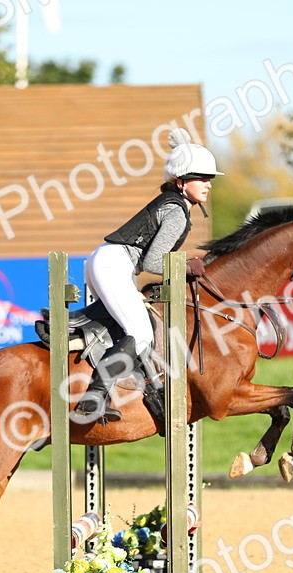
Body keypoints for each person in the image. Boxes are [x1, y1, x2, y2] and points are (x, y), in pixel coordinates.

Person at [72, 127, 221, 425]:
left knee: (132, 326)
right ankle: (93, 398)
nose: (208, 185)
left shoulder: (175, 205)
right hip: (114, 264)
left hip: (108, 262)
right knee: (140, 334)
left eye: (210, 179)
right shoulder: (177, 212)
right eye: (201, 179)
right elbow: (154, 261)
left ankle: (142, 391)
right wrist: (186, 266)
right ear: (181, 183)